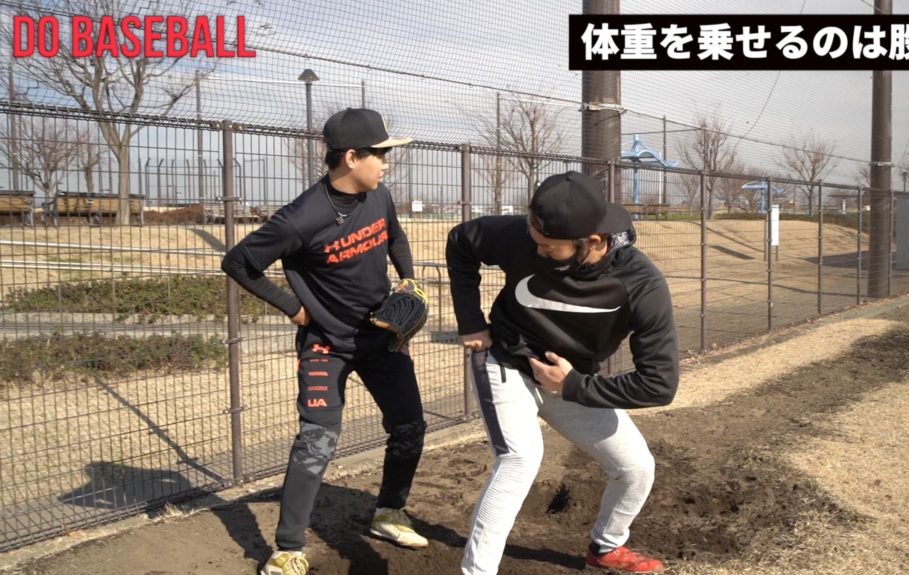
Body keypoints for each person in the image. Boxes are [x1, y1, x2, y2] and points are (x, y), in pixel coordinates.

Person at [221, 108, 428, 575]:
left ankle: (389, 512)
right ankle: (288, 549)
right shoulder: (301, 218)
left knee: (410, 427)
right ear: (351, 157)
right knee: (316, 442)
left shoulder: (379, 196)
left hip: (381, 337)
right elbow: (238, 262)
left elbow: (395, 237)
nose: (386, 163)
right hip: (326, 346)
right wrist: (293, 308)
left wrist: (409, 280)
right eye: (380, 154)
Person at [446, 171, 680, 574]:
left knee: (636, 468)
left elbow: (659, 384)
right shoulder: (529, 235)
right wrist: (470, 321)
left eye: (549, 249)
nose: (536, 252)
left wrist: (573, 385)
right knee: (520, 459)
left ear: (593, 242)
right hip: (505, 360)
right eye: (534, 240)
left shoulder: (641, 284)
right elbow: (461, 242)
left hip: (571, 383)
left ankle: (606, 548)